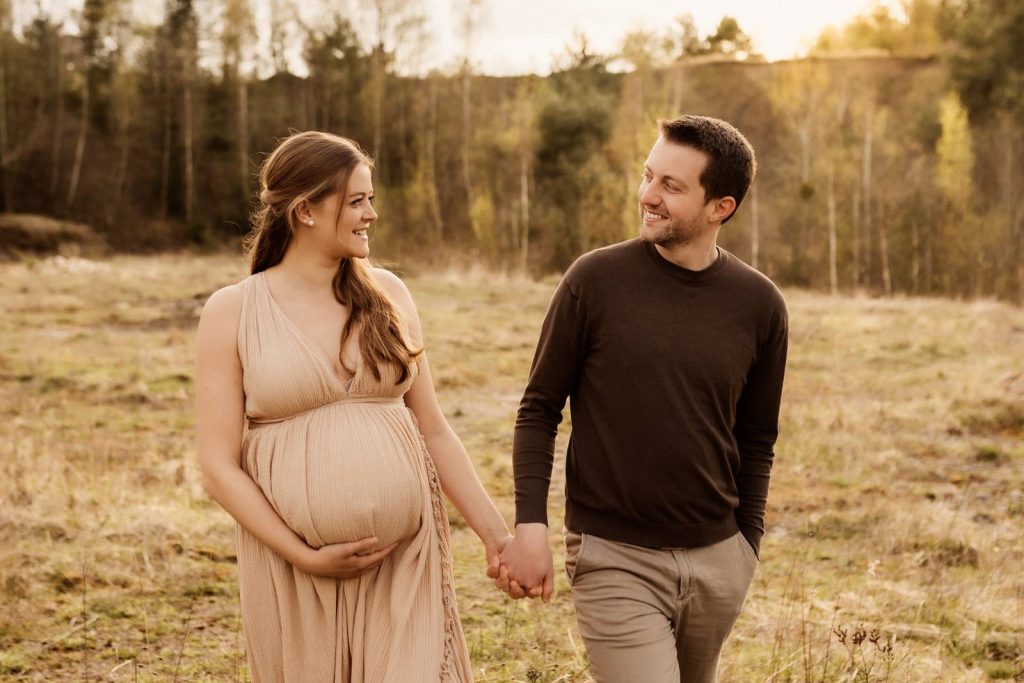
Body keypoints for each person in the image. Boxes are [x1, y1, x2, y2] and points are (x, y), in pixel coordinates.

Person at [195, 130, 510, 682]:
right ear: (305, 211)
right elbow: (218, 465)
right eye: (357, 201)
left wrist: (497, 538)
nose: (372, 214)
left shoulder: (389, 294)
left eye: (371, 199)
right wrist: (303, 554)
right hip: (295, 573)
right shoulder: (233, 311)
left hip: (405, 562)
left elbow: (433, 429)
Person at [491, 115, 789, 683]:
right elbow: (539, 409)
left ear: (720, 207)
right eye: (648, 175)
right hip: (614, 556)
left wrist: (745, 548)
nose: (648, 195)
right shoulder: (594, 281)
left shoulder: (760, 305)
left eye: (671, 186)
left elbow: (757, 438)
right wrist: (531, 525)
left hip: (718, 561)